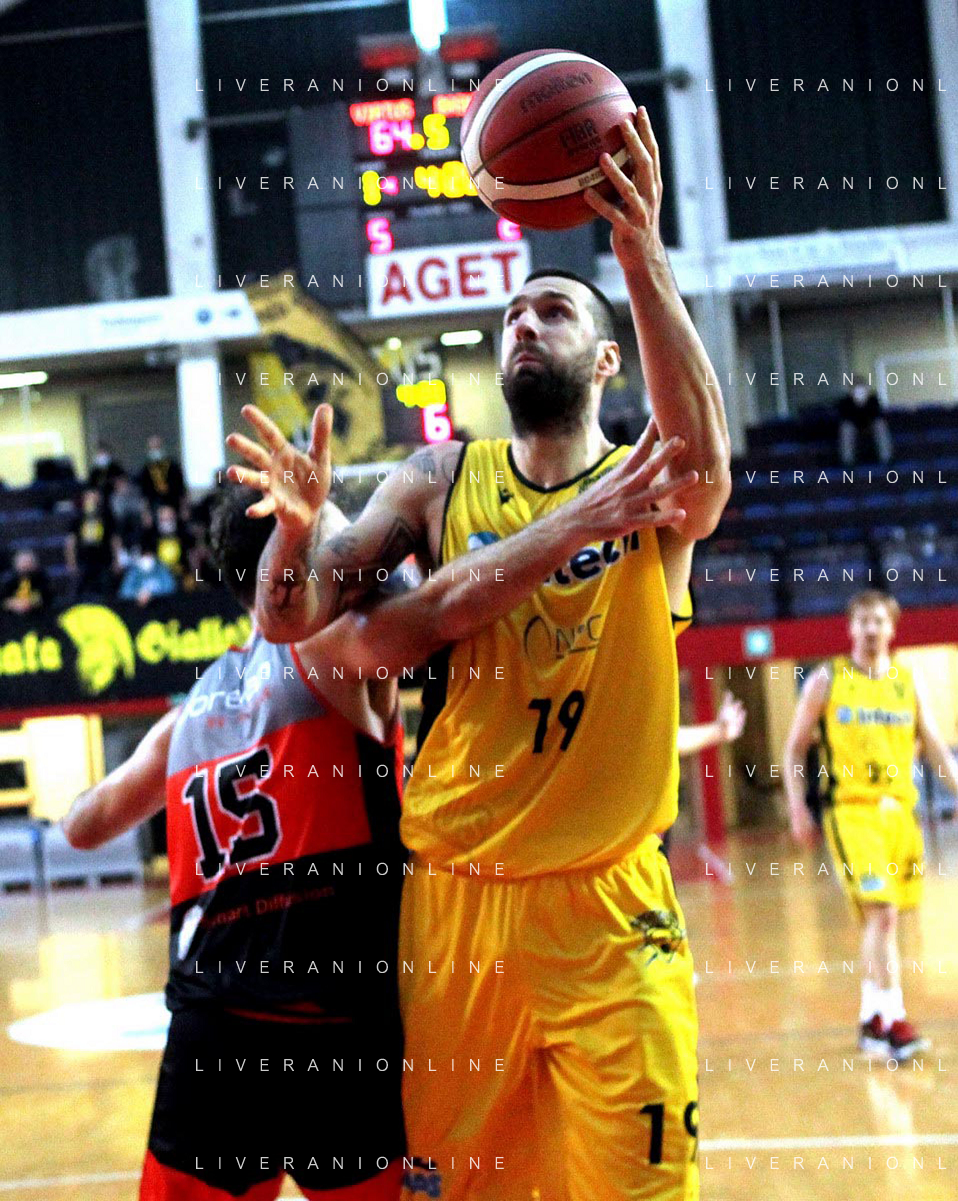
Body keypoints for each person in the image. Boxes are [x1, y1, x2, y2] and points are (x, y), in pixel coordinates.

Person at [229, 107, 730, 1201]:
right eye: (510, 315)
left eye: (552, 310)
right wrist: (295, 533)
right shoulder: (438, 478)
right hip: (460, 901)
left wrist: (640, 252)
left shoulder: (647, 483)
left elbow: (703, 464)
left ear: (607, 356)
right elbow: (292, 615)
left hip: (611, 907)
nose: (523, 326)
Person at [61, 461, 688, 1201]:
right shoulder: (334, 651)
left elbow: (84, 824)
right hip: (335, 1028)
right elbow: (442, 613)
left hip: (211, 1035)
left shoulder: (188, 714)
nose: (359, 564)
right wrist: (571, 525)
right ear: (297, 560)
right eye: (342, 546)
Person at [783, 589, 958, 1060]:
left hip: (900, 814)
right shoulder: (828, 679)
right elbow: (794, 747)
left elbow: (935, 747)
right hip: (852, 811)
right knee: (882, 913)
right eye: (862, 621)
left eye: (879, 621)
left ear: (892, 628)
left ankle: (870, 1019)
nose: (870, 629)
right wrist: (797, 808)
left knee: (882, 922)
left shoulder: (906, 681)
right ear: (850, 628)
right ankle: (894, 1018)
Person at [66, 487, 120, 597]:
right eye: (89, 495)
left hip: (104, 560)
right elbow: (71, 542)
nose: (92, 498)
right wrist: (71, 562)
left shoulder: (106, 515)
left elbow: (114, 539)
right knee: (78, 592)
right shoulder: (78, 516)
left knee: (107, 591)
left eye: (94, 495)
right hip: (83, 560)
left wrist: (116, 560)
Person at [837, 379, 893, 468]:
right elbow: (845, 418)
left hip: (870, 427)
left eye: (862, 388)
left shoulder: (873, 400)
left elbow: (877, 415)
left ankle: (886, 459)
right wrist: (857, 405)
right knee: (846, 428)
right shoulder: (845, 402)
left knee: (880, 425)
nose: (859, 391)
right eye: (856, 388)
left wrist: (864, 405)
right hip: (854, 428)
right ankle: (848, 462)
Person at [118, 535, 178, 606]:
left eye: (149, 555)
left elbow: (171, 588)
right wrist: (137, 594)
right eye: (144, 555)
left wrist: (151, 594)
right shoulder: (133, 571)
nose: (146, 558)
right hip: (138, 609)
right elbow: (124, 592)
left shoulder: (161, 568)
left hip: (160, 606)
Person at [138, 434, 186, 514]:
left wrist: (183, 506)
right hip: (154, 501)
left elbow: (179, 485)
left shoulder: (172, 465)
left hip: (172, 500)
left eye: (157, 446)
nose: (155, 449)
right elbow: (144, 489)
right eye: (153, 446)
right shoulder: (145, 468)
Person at [0, 548, 51, 614]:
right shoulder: (8, 581)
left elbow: (47, 598)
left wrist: (30, 602)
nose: (26, 566)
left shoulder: (42, 579)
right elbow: (3, 600)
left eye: (29, 563)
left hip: (38, 615)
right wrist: (13, 604)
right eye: (23, 563)